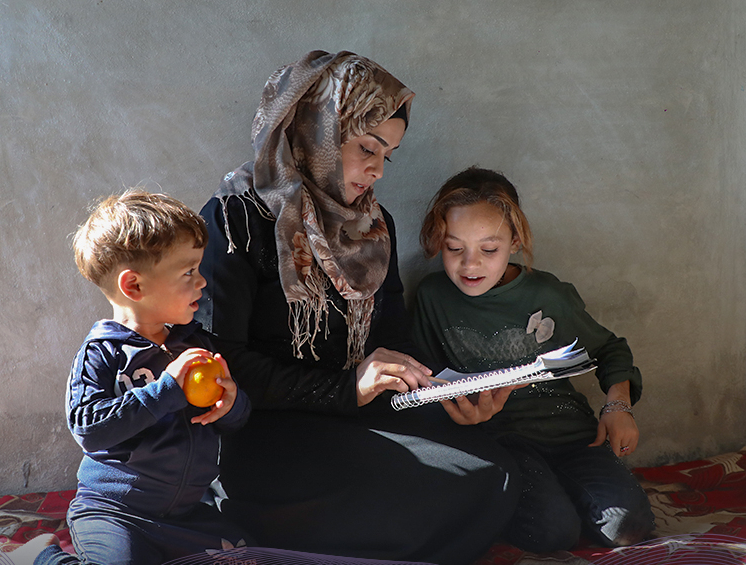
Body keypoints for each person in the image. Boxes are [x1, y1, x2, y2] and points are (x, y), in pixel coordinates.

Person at [196, 51, 520, 565]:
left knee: (492, 473)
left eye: (387, 155)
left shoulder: (371, 226)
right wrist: (348, 388)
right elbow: (220, 362)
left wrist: (447, 392)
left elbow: (395, 340)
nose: (377, 171)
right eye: (367, 147)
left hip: (359, 415)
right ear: (317, 129)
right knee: (400, 494)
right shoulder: (236, 220)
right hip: (271, 429)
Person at [411, 167, 655, 551]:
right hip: (501, 443)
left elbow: (608, 349)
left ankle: (569, 496)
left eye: (489, 249)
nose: (470, 264)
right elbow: (424, 381)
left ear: (515, 241)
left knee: (629, 526)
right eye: (454, 248)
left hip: (573, 438)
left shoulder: (547, 294)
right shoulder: (432, 298)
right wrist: (457, 412)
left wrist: (618, 404)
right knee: (551, 532)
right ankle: (548, 503)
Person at [21, 190, 252, 565]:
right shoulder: (102, 353)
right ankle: (40, 558)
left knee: (249, 556)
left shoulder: (196, 344)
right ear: (135, 286)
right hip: (116, 514)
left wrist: (231, 402)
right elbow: (89, 427)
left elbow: (236, 420)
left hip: (185, 515)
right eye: (189, 272)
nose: (203, 282)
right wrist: (167, 390)